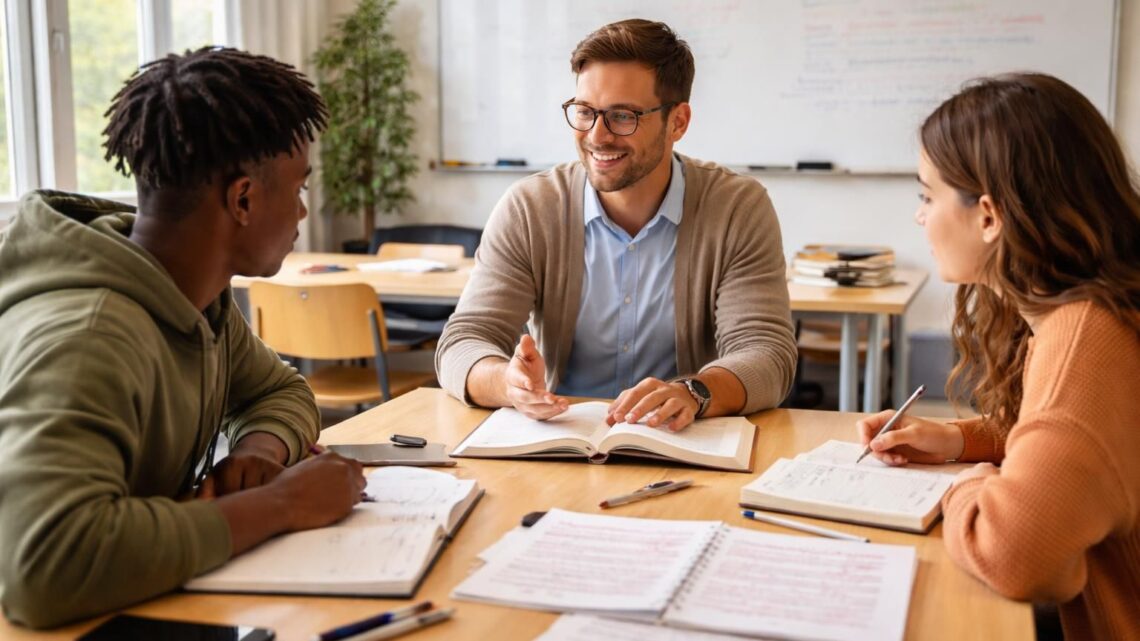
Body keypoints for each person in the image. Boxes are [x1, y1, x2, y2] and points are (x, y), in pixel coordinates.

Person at [0, 47, 367, 628]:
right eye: (298, 189)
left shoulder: (194, 299)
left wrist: (259, 451)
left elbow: (281, 393)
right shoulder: (91, 337)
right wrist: (282, 504)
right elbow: (43, 566)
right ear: (243, 199)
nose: (301, 212)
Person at [856, 73, 1140, 640]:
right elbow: (1079, 444)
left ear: (988, 215)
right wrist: (963, 441)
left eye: (926, 196)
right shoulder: (1093, 312)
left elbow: (1018, 555)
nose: (920, 217)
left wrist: (966, 488)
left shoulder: (1083, 341)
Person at [435, 19, 796, 431]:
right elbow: (463, 340)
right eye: (585, 112)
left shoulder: (736, 208)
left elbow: (766, 354)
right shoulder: (531, 208)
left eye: (623, 116)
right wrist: (507, 383)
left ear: (677, 122)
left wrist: (694, 393)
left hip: (681, 441)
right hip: (561, 440)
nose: (597, 136)